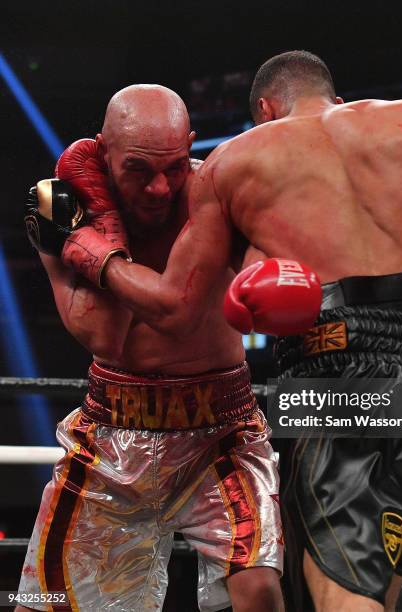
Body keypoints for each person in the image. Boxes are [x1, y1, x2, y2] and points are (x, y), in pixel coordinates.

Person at [57, 53, 402, 611]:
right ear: (334, 99)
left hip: (334, 365)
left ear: (264, 110)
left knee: (341, 584)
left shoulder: (234, 161)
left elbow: (175, 307)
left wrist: (99, 259)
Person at [19, 84, 284, 612]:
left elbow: (181, 307)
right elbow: (102, 337)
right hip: (114, 427)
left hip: (221, 427)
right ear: (105, 150)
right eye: (139, 170)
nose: (161, 188)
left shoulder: (214, 196)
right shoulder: (57, 209)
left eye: (175, 166)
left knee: (258, 587)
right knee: (37, 600)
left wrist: (101, 259)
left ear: (190, 146)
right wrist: (105, 230)